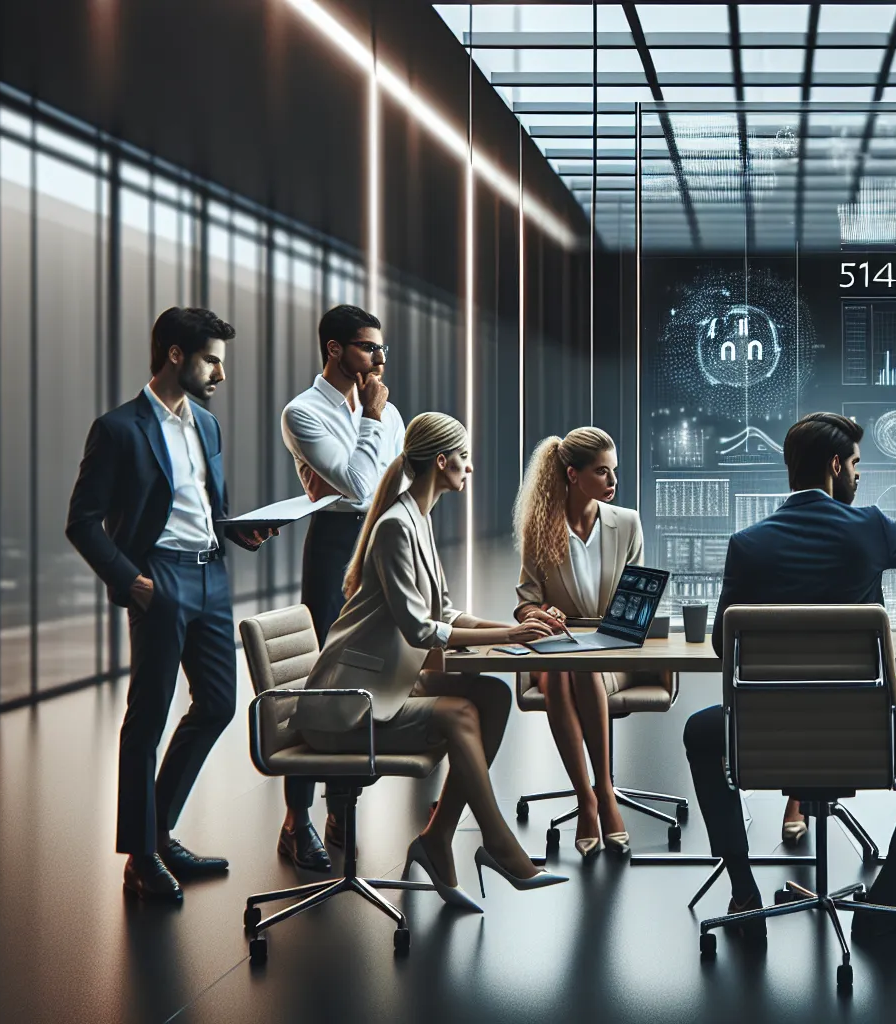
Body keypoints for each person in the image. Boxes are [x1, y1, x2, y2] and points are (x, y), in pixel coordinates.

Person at [682, 412, 896, 940]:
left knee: (699, 732)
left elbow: (722, 644)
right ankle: (890, 890)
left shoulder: (748, 544)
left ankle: (742, 889)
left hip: (771, 731)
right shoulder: (868, 528)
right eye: (854, 464)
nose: (857, 476)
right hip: (862, 731)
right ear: (834, 466)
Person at [292, 412, 566, 909]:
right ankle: (499, 844)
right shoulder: (397, 526)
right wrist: (511, 632)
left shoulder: (416, 517)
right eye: (464, 457)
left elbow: (443, 612)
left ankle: (437, 839)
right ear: (441, 462)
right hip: (347, 706)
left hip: (386, 687)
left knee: (493, 696)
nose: (470, 467)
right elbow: (421, 629)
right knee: (460, 712)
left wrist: (523, 633)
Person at [65, 307, 277, 904]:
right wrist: (132, 581)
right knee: (149, 715)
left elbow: (204, 505)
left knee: (218, 704)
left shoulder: (207, 426)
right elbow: (82, 522)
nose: (221, 374)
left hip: (212, 577)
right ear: (176, 356)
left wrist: (239, 529)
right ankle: (140, 855)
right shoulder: (118, 429)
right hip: (157, 579)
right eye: (213, 360)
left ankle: (158, 832)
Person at [275, 304, 406, 871]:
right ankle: (296, 818)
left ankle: (341, 804)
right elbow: (356, 484)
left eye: (381, 348)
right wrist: (373, 424)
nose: (380, 358)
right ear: (334, 349)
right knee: (320, 678)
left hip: (381, 540)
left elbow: (394, 483)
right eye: (368, 347)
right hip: (335, 545)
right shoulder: (303, 412)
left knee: (367, 673)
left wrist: (367, 460)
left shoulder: (388, 409)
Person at [512, 427, 655, 859]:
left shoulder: (626, 523)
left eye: (614, 472)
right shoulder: (542, 529)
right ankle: (591, 799)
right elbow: (524, 605)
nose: (613, 482)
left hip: (612, 651)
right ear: (573, 475)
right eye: (602, 472)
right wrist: (541, 615)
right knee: (563, 671)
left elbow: (637, 602)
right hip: (558, 648)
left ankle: (600, 794)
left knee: (579, 667)